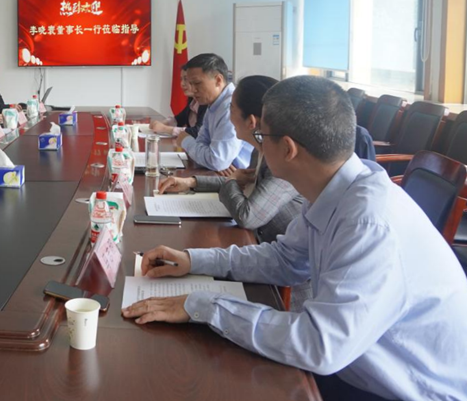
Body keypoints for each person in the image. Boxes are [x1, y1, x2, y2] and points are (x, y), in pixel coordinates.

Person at [124, 76, 467, 401]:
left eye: (261, 137)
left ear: (287, 148)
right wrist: (193, 260)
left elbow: (318, 345)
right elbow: (286, 259)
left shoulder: (369, 223)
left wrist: (204, 305)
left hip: (400, 390)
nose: (256, 146)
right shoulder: (337, 188)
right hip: (359, 364)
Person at [158, 75, 303, 244]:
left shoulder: (283, 161)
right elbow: (243, 181)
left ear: (251, 122)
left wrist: (231, 181)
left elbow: (247, 216)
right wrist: (191, 182)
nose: (228, 116)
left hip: (278, 253)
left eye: (231, 109)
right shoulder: (260, 149)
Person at [175, 53, 251, 171]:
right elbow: (202, 144)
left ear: (218, 80)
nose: (193, 89)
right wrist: (209, 158)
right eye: (190, 84)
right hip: (220, 174)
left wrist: (185, 140)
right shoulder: (214, 103)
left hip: (240, 178)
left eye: (197, 83)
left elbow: (216, 161)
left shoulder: (231, 106)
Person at [150, 65, 207, 138]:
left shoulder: (206, 102)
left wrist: (164, 129)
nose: (182, 84)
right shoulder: (193, 100)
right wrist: (162, 123)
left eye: (186, 79)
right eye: (181, 79)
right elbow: (179, 119)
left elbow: (198, 132)